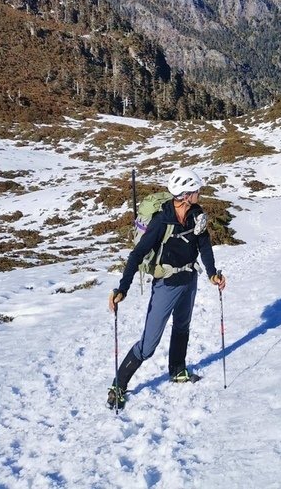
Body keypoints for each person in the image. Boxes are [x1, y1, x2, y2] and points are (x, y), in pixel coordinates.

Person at [107, 167, 226, 409]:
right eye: (195, 191)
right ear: (184, 194)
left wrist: (212, 273)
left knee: (182, 326)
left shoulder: (197, 214)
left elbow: (204, 245)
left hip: (189, 280)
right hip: (166, 284)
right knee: (148, 344)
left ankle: (177, 370)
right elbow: (137, 254)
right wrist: (123, 288)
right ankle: (118, 386)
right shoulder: (162, 220)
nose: (199, 194)